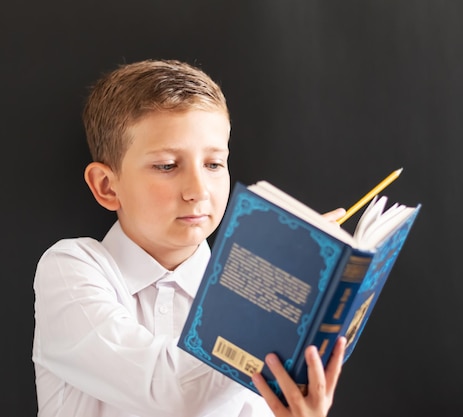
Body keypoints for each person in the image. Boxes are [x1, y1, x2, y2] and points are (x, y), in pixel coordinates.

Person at [32, 59, 347, 417]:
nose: (198, 190)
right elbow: (173, 394)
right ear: (107, 186)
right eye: (167, 166)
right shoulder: (71, 268)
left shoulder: (241, 291)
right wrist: (273, 294)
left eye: (213, 164)